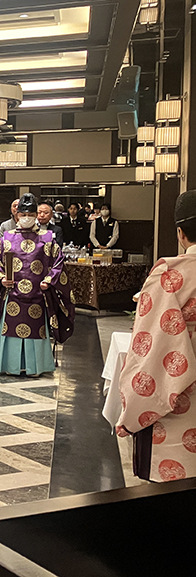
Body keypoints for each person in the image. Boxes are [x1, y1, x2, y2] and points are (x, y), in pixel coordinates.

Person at [117, 189, 196, 482]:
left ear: (180, 233)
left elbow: (149, 347)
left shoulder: (171, 274)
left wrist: (131, 412)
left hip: (183, 398)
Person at [0, 193, 75, 377]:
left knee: (36, 332)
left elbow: (58, 263)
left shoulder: (47, 238)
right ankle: (10, 365)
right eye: (23, 215)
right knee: (10, 330)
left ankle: (35, 367)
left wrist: (49, 280)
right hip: (11, 293)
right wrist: (1, 278)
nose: (26, 218)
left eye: (30, 215)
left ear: (36, 215)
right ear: (17, 215)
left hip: (38, 294)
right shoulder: (6, 238)